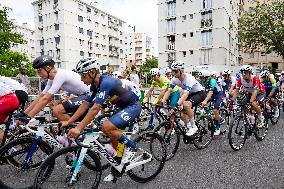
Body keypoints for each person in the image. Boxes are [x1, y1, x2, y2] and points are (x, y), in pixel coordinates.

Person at [66, 58, 141, 167]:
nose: (82, 80)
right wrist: (69, 122)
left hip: (132, 106)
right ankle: (119, 159)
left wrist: (78, 128)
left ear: (92, 72)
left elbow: (96, 108)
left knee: (106, 127)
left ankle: (132, 147)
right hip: (121, 107)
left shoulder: (106, 82)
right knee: (110, 131)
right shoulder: (94, 86)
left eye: (83, 76)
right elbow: (85, 104)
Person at [16, 55, 90, 123]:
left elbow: (46, 99)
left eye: (39, 71)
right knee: (59, 119)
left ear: (48, 68)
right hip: (81, 96)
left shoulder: (60, 75)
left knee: (57, 111)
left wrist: (29, 116)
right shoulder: (51, 79)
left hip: (90, 95)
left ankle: (78, 129)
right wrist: (24, 113)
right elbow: (41, 97)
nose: (38, 74)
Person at [162, 61, 206, 136]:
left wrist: (177, 104)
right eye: (172, 71)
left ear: (181, 71)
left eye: (175, 71)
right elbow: (169, 91)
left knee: (186, 105)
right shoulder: (174, 79)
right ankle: (189, 127)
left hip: (199, 93)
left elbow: (185, 94)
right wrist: (162, 101)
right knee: (182, 113)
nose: (173, 73)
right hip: (190, 94)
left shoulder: (189, 78)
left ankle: (194, 127)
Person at [199, 70, 223, 135]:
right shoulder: (202, 82)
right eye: (200, 77)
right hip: (211, 95)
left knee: (215, 110)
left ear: (207, 77)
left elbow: (210, 92)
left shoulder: (212, 81)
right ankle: (213, 116)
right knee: (204, 105)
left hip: (218, 94)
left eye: (202, 78)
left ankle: (218, 128)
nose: (201, 79)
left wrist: (205, 101)